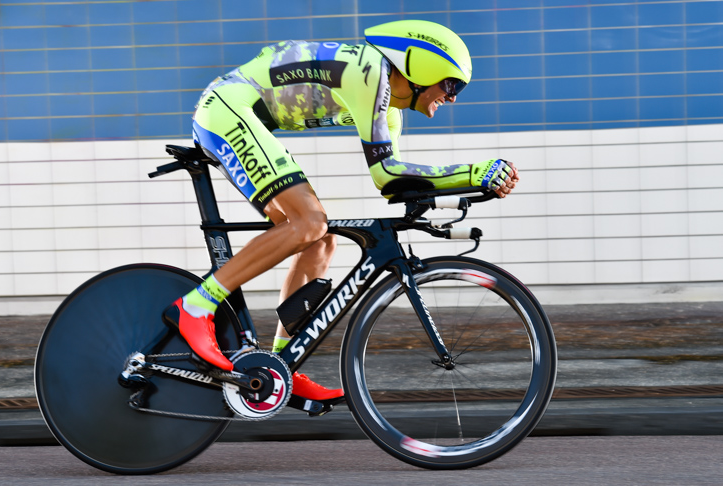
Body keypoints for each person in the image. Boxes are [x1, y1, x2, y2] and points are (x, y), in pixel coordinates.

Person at [163, 20, 520, 402]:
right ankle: (197, 306)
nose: (452, 98)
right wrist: (473, 173)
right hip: (228, 109)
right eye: (451, 85)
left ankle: (282, 365)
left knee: (320, 240)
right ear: (421, 66)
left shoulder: (391, 111)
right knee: (309, 222)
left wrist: (470, 186)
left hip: (239, 116)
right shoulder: (369, 72)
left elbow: (398, 182)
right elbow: (386, 174)